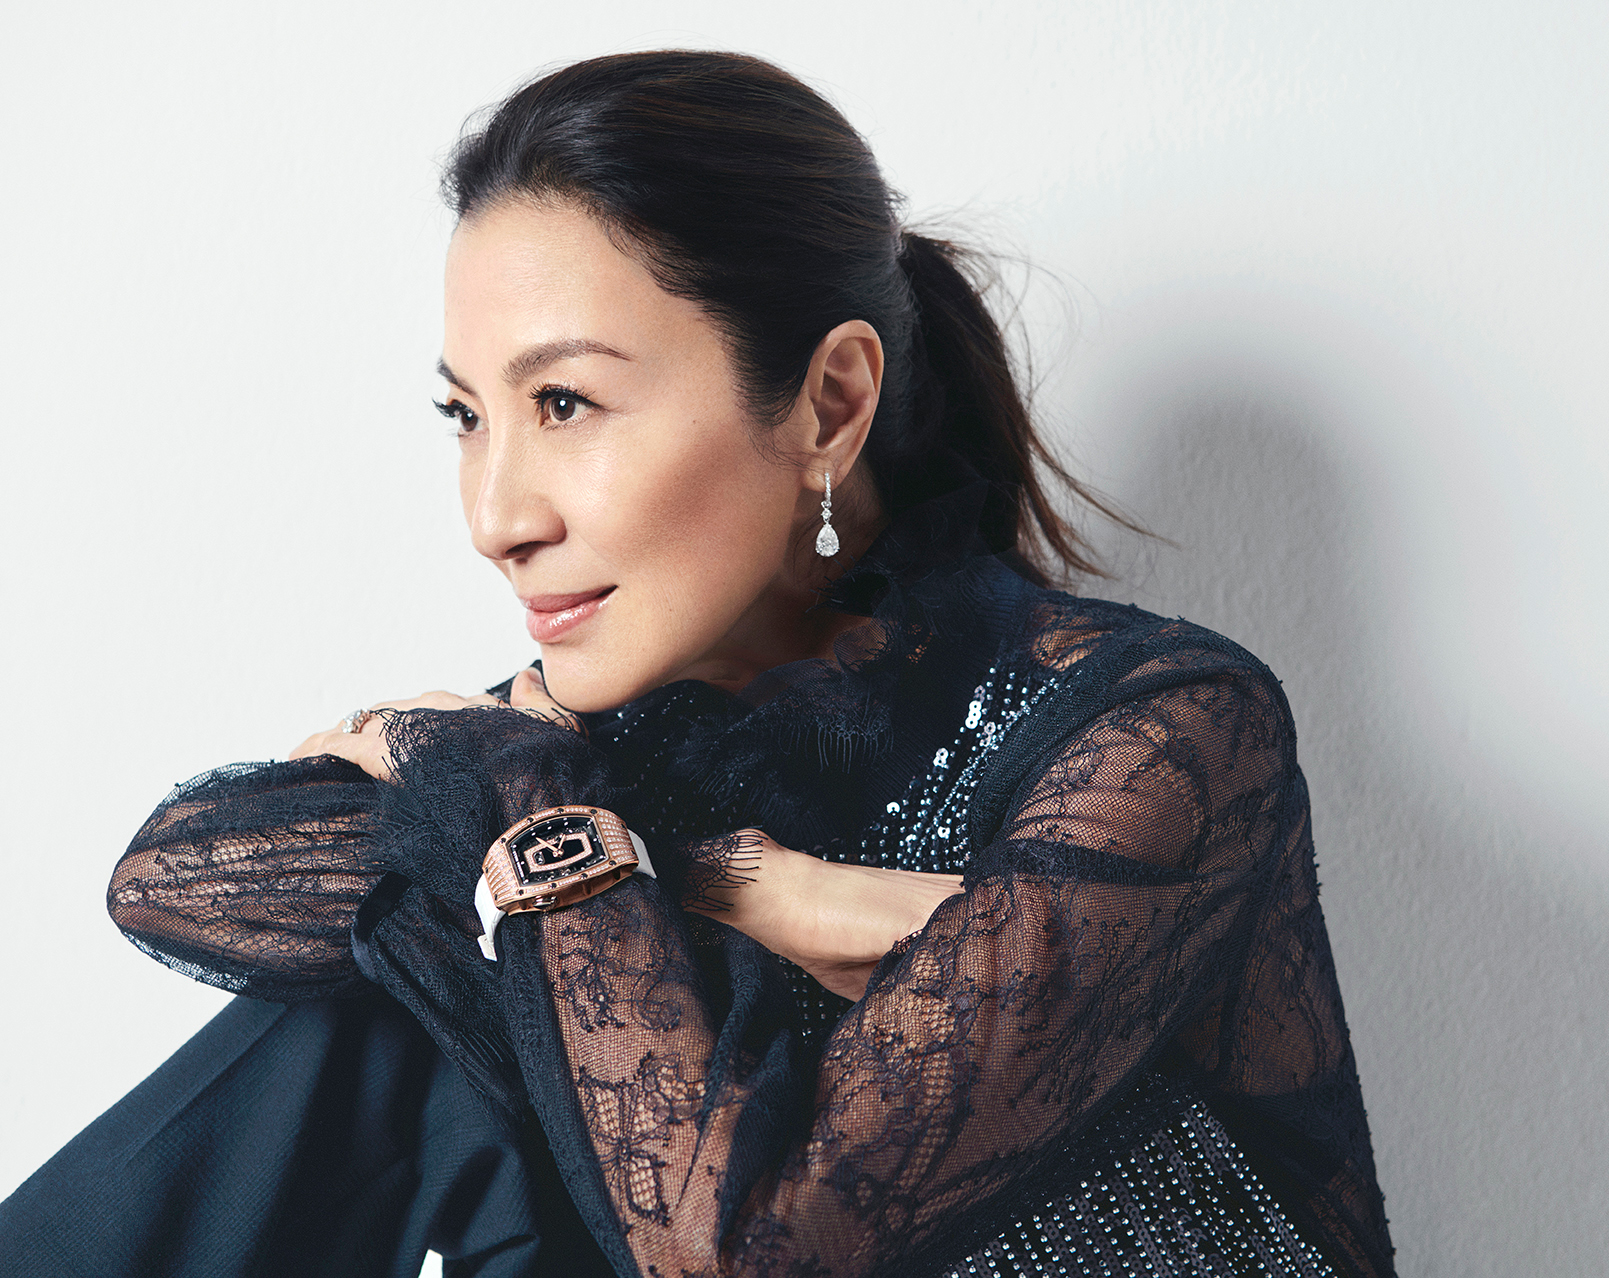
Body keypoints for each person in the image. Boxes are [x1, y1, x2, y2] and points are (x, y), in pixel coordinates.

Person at [0, 51, 1395, 1278]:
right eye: (467, 416)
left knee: (512, 992)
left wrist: (536, 810)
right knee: (406, 1023)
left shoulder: (1167, 731)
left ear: (830, 404)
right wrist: (752, 886)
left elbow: (755, 1247)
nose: (495, 517)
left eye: (564, 402)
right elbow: (176, 878)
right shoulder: (608, 739)